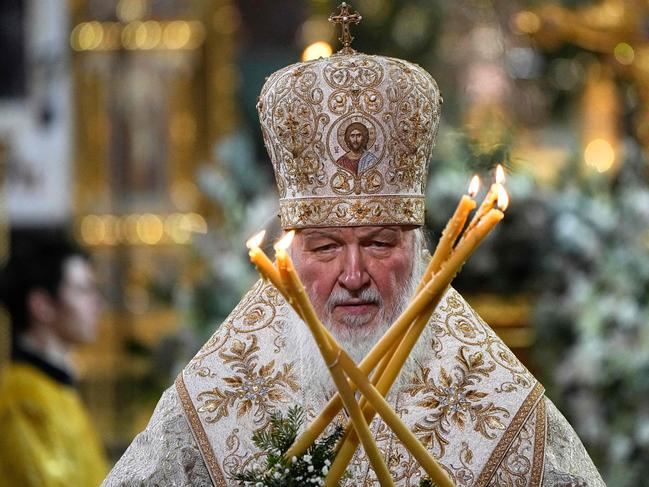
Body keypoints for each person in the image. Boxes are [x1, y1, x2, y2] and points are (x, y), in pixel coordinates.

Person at [103, 6, 605, 486]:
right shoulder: (223, 389)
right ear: (290, 255)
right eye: (324, 249)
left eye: (380, 243)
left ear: (418, 247)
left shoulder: (495, 396)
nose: (353, 274)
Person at [0, 230, 108, 487]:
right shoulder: (22, 399)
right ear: (42, 305)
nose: (97, 303)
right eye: (83, 290)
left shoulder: (54, 387)